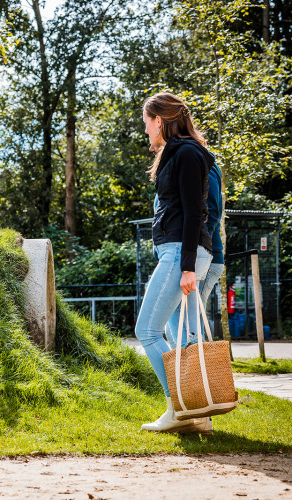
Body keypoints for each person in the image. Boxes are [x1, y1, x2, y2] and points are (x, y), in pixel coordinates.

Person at [136, 93, 214, 433]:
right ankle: (198, 412)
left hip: (182, 252)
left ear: (159, 120)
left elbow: (194, 212)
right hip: (180, 251)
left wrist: (186, 267)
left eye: (146, 123)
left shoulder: (186, 153)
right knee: (175, 334)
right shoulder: (178, 153)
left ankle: (179, 407)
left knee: (147, 331)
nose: (146, 131)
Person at [164, 158, 224, 349]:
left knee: (188, 332)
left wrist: (199, 247)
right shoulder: (175, 163)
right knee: (174, 331)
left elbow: (212, 212)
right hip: (183, 257)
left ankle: (197, 377)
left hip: (199, 258)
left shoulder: (200, 162)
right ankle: (186, 377)